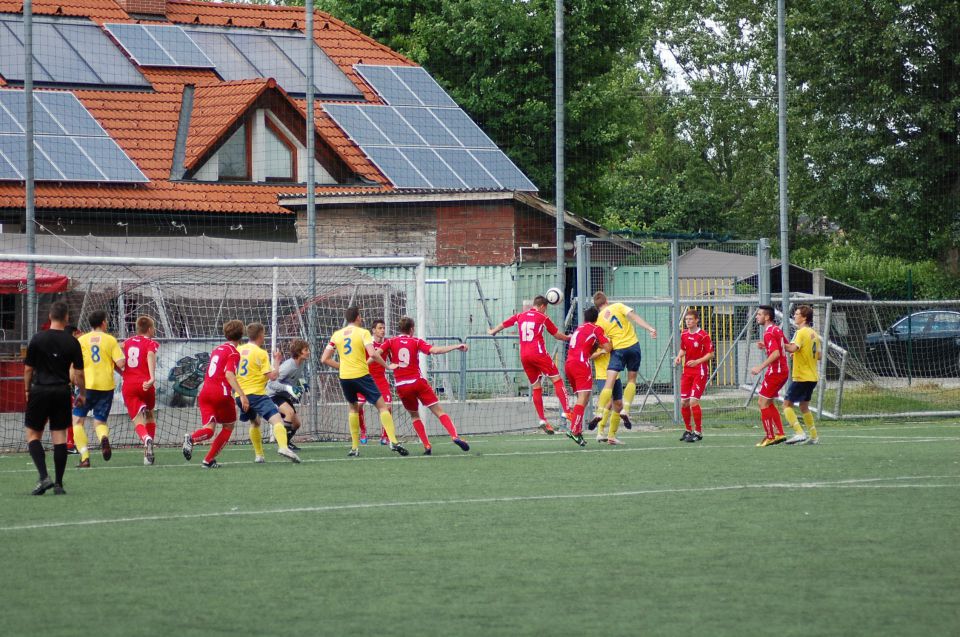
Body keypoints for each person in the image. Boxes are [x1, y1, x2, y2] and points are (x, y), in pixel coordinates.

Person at [321, 306, 407, 457]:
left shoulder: (337, 334)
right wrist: (387, 365)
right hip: (361, 375)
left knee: (353, 409)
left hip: (345, 377)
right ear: (358, 317)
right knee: (382, 407)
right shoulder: (363, 333)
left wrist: (342, 367)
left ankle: (354, 448)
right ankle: (393, 441)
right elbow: (373, 354)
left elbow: (324, 359)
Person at [380, 316, 470, 455]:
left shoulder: (390, 342)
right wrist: (456, 346)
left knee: (415, 416)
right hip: (418, 382)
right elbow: (435, 350)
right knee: (439, 411)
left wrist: (386, 365)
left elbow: (375, 354)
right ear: (411, 329)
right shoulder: (416, 341)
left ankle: (427, 446)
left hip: (402, 385)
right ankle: (454, 436)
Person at [23, 301, 85, 495]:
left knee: (33, 435)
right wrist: (82, 393)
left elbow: (28, 369)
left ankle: (44, 477)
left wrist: (27, 390)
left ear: (50, 316)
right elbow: (79, 372)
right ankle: (58, 484)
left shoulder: (38, 338)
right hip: (62, 391)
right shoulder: (72, 341)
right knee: (59, 436)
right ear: (67, 318)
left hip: (40, 390)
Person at [488, 295, 571, 434]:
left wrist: (493, 331)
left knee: (536, 386)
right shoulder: (543, 317)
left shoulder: (520, 315)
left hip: (524, 356)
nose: (546, 312)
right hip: (538, 353)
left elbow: (505, 323)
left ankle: (542, 420)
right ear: (543, 306)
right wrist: (569, 337)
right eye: (546, 309)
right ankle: (567, 411)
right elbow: (556, 335)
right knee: (557, 379)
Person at [182, 320, 249, 468]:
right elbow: (230, 374)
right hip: (221, 393)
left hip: (205, 392)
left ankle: (192, 439)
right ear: (241, 335)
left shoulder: (217, 349)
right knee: (228, 426)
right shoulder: (233, 352)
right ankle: (207, 459)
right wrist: (242, 395)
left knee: (209, 429)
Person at [589, 291, 657, 430]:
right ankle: (626, 409)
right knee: (632, 379)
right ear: (606, 300)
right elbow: (634, 317)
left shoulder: (599, 320)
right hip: (633, 346)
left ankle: (599, 411)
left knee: (610, 382)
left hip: (618, 350)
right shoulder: (618, 306)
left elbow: (604, 341)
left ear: (596, 306)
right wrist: (650, 328)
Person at [236, 322, 300, 464]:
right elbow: (273, 377)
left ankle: (259, 455)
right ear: (260, 335)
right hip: (256, 394)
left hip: (240, 395)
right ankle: (283, 447)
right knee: (277, 419)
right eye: (264, 334)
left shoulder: (238, 349)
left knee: (255, 422)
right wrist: (277, 361)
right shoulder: (260, 353)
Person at [72, 310, 125, 468]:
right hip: (106, 386)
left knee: (77, 421)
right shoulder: (110, 340)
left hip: (85, 387)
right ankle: (103, 437)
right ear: (103, 322)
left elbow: (76, 364)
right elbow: (121, 363)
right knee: (100, 421)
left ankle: (84, 457)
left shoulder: (81, 340)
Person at [563, 306, 611, 446]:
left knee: (582, 398)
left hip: (569, 364)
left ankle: (576, 429)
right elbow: (608, 347)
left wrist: (596, 348)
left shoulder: (578, 329)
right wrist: (606, 343)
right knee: (584, 397)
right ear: (597, 319)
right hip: (581, 365)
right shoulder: (596, 329)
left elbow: (587, 350)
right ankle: (573, 429)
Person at [122, 316, 159, 465]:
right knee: (149, 415)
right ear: (150, 329)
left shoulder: (126, 343)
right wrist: (151, 377)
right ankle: (148, 453)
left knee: (137, 419)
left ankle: (145, 439)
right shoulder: (150, 343)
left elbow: (116, 356)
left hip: (130, 385)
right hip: (145, 384)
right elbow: (150, 354)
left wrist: (122, 372)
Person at [673, 309, 714, 443]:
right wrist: (679, 357)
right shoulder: (684, 334)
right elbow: (683, 349)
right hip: (687, 371)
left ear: (696, 320)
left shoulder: (703, 335)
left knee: (693, 401)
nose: (688, 322)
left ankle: (698, 432)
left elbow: (710, 354)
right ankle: (688, 430)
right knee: (684, 402)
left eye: (691, 319)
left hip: (700, 371)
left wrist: (697, 361)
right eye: (686, 319)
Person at [783, 305, 822, 445]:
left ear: (804, 317)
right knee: (804, 407)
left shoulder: (801, 332)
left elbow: (793, 347)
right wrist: (799, 354)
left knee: (787, 404)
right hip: (812, 377)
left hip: (802, 376)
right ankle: (814, 436)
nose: (795, 316)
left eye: (797, 314)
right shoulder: (814, 334)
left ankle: (799, 433)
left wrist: (779, 344)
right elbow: (819, 356)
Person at [750, 305, 789, 447]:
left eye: (759, 314)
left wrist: (759, 367)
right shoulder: (776, 329)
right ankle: (780, 433)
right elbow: (787, 347)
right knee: (768, 402)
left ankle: (770, 436)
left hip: (776, 372)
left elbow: (776, 353)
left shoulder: (768, 333)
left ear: (767, 317)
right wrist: (766, 346)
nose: (757, 317)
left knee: (762, 403)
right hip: (782, 371)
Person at [267, 338, 310, 452]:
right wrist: (288, 388)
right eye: (306, 350)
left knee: (296, 424)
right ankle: (283, 445)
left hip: (283, 396)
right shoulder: (288, 366)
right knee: (289, 413)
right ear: (299, 352)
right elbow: (271, 384)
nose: (308, 352)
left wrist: (303, 384)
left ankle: (287, 443)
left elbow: (297, 376)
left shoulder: (301, 363)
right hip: (273, 395)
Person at [356, 319, 391, 446]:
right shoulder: (366, 342)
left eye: (383, 328)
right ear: (374, 330)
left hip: (381, 379)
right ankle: (363, 432)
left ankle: (385, 436)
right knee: (358, 405)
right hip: (365, 378)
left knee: (388, 407)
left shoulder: (387, 343)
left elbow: (392, 357)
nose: (382, 330)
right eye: (380, 328)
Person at [590, 346, 626, 445]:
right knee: (608, 401)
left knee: (618, 404)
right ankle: (600, 432)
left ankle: (611, 436)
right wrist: (602, 351)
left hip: (615, 375)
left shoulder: (613, 338)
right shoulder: (596, 339)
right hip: (602, 376)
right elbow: (589, 356)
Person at [64, 323, 81, 455]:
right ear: (74, 334)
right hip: (63, 388)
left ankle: (33, 442)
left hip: (44, 386)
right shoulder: (72, 347)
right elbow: (71, 371)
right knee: (72, 417)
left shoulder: (57, 344)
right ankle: (70, 444)